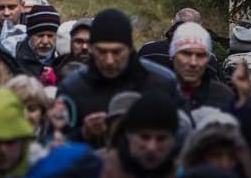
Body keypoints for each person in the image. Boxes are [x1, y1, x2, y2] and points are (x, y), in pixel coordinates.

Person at [57, 10, 176, 146]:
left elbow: (182, 138)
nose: (109, 61)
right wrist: (83, 133)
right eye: (101, 52)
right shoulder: (72, 87)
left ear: (130, 48)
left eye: (116, 52)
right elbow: (55, 143)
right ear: (91, 48)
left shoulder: (162, 83)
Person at [166, 21, 238, 111]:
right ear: (173, 55)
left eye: (200, 55)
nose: (193, 62)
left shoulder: (223, 96)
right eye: (186, 54)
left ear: (208, 59)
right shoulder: (154, 93)